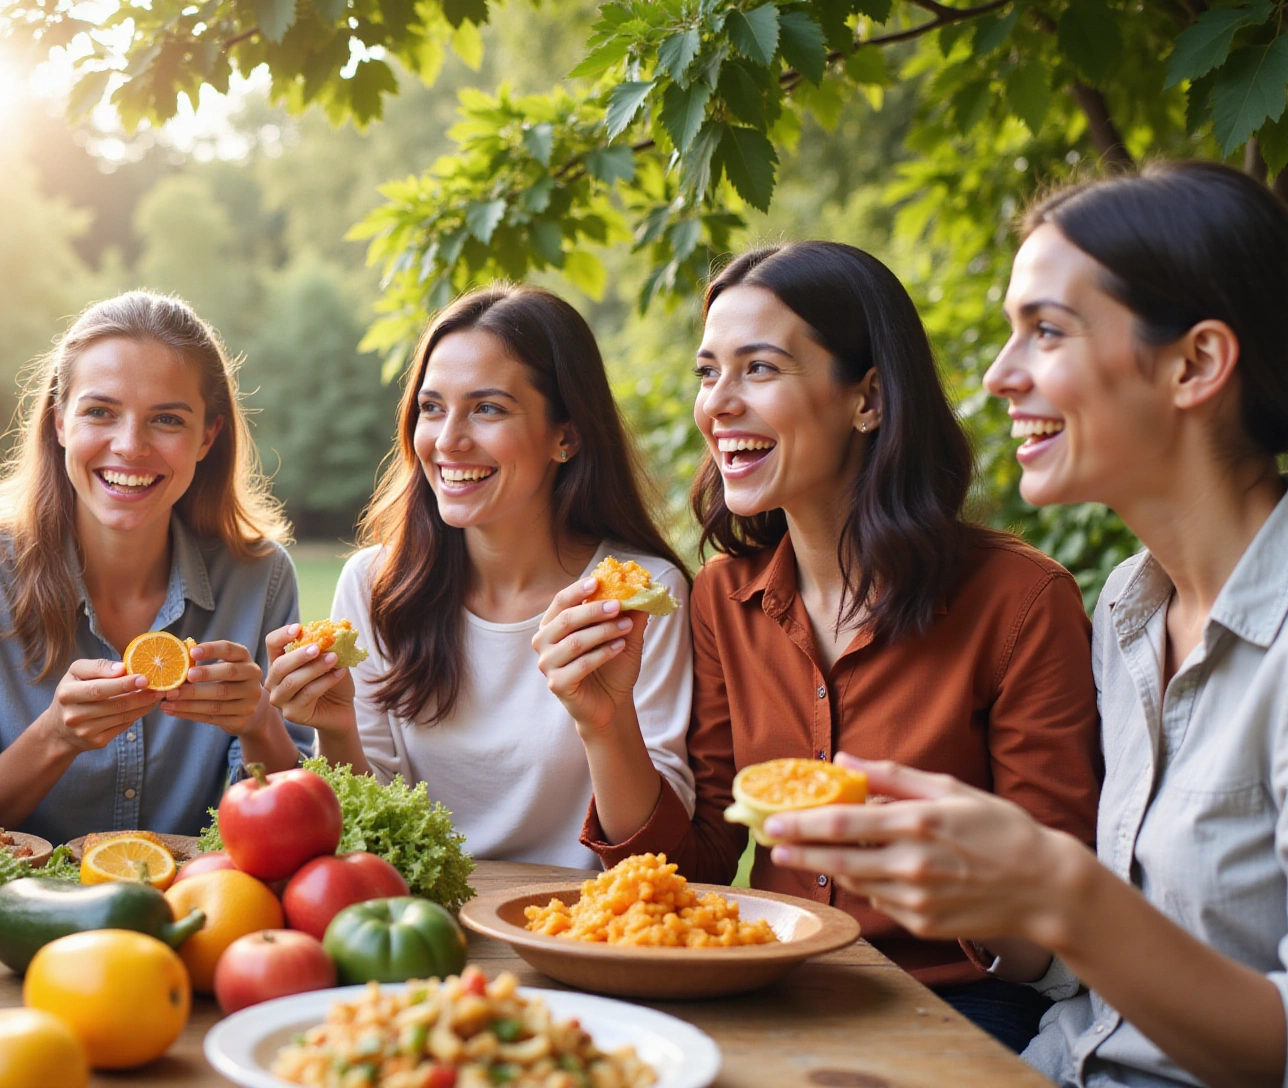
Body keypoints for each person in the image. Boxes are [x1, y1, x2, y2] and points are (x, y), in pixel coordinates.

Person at [765, 163, 1288, 1087]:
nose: (1001, 376)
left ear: (1196, 363)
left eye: (1045, 332)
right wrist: (979, 894)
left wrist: (1060, 888)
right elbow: (1087, 992)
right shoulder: (1132, 606)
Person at [580, 242, 1101, 1051]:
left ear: (869, 399)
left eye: (759, 369)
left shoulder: (1022, 603)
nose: (718, 403)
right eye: (707, 371)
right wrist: (605, 724)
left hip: (962, 1008)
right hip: (772, 985)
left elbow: (1056, 927)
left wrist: (936, 868)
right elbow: (699, 876)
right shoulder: (721, 598)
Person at [262, 285, 696, 869]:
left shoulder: (640, 594)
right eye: (432, 407)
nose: (447, 441)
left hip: (571, 931)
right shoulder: (374, 585)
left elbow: (657, 856)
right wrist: (336, 731)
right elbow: (363, 848)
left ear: (566, 436)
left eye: (488, 408)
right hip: (425, 928)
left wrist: (606, 720)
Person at [0, 291, 313, 842]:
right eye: (100, 412)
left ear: (207, 436)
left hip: (199, 912)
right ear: (60, 421)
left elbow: (295, 822)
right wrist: (55, 739)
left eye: (166, 419)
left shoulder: (260, 578)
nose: (130, 446)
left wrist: (258, 721)